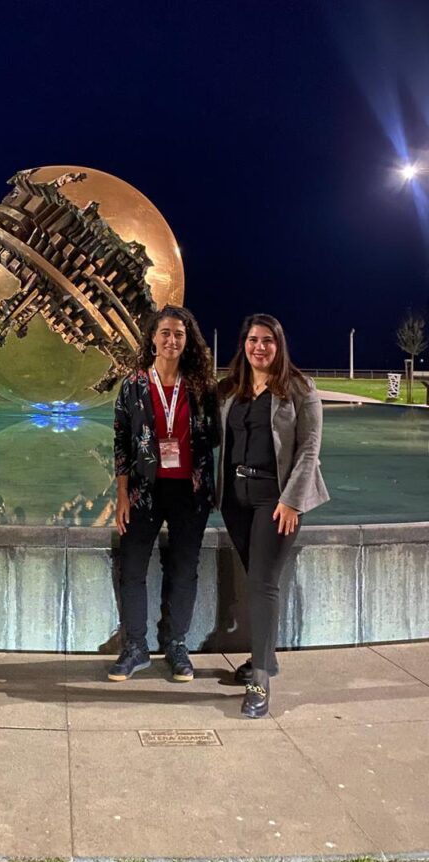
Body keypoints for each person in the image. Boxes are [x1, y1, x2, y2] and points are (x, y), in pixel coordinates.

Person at [217, 313, 329, 718]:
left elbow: (309, 448)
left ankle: (260, 682)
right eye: (252, 339)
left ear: (278, 345)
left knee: (263, 584)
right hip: (236, 500)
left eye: (267, 340)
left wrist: (292, 501)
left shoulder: (299, 388)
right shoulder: (232, 389)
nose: (259, 347)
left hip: (276, 501)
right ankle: (266, 657)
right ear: (243, 344)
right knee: (257, 579)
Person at [111, 305, 219, 682]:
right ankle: (135, 646)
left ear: (187, 341)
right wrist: (122, 495)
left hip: (190, 491)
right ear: (153, 339)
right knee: (132, 566)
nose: (172, 340)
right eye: (165, 333)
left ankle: (176, 644)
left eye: (179, 334)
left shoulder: (202, 387)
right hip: (144, 490)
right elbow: (121, 443)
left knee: (184, 568)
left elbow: (216, 436)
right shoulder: (134, 385)